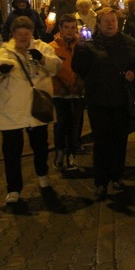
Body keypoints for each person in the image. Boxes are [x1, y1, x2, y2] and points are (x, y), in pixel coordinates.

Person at [72, 8, 135, 199]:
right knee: (102, 142)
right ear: (99, 24)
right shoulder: (90, 44)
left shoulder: (128, 42)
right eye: (106, 21)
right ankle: (101, 181)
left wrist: (134, 74)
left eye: (113, 20)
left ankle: (117, 176)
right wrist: (79, 48)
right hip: (98, 101)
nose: (110, 24)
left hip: (121, 100)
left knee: (120, 140)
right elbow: (79, 68)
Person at [0, 16, 62, 204]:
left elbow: (56, 66)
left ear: (32, 33)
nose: (23, 37)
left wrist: (41, 59)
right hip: (11, 111)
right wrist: (3, 69)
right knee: (11, 151)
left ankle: (43, 176)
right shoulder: (4, 52)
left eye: (27, 33)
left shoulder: (42, 47)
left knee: (41, 146)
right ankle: (14, 189)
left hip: (37, 109)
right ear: (13, 34)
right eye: (19, 33)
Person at [49, 14, 85, 171]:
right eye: (66, 28)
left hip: (77, 91)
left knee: (75, 124)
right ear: (60, 29)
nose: (70, 31)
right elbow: (51, 70)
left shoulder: (82, 46)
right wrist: (62, 85)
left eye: (73, 28)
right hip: (60, 93)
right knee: (62, 123)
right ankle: (59, 151)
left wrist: (80, 83)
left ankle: (71, 154)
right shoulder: (52, 47)